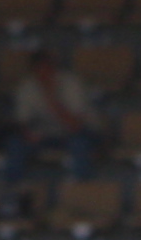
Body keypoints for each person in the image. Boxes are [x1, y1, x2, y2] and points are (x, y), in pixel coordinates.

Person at [5, 48, 99, 182]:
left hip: (79, 132)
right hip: (45, 135)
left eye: (46, 68)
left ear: (53, 67)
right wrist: (28, 134)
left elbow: (75, 126)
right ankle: (14, 187)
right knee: (15, 143)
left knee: (79, 144)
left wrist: (52, 99)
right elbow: (21, 121)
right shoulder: (27, 86)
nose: (43, 74)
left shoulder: (71, 83)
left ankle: (82, 186)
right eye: (38, 69)